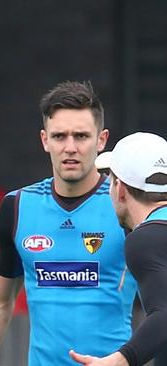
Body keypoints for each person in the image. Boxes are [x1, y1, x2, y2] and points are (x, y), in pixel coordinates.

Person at [0, 81, 137, 366]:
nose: (70, 147)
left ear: (102, 140)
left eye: (81, 136)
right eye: (60, 136)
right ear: (45, 140)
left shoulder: (125, 205)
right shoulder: (17, 207)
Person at [69, 132, 167, 366]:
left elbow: (165, 313)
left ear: (119, 188)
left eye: (110, 180)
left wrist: (119, 360)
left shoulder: (145, 239)